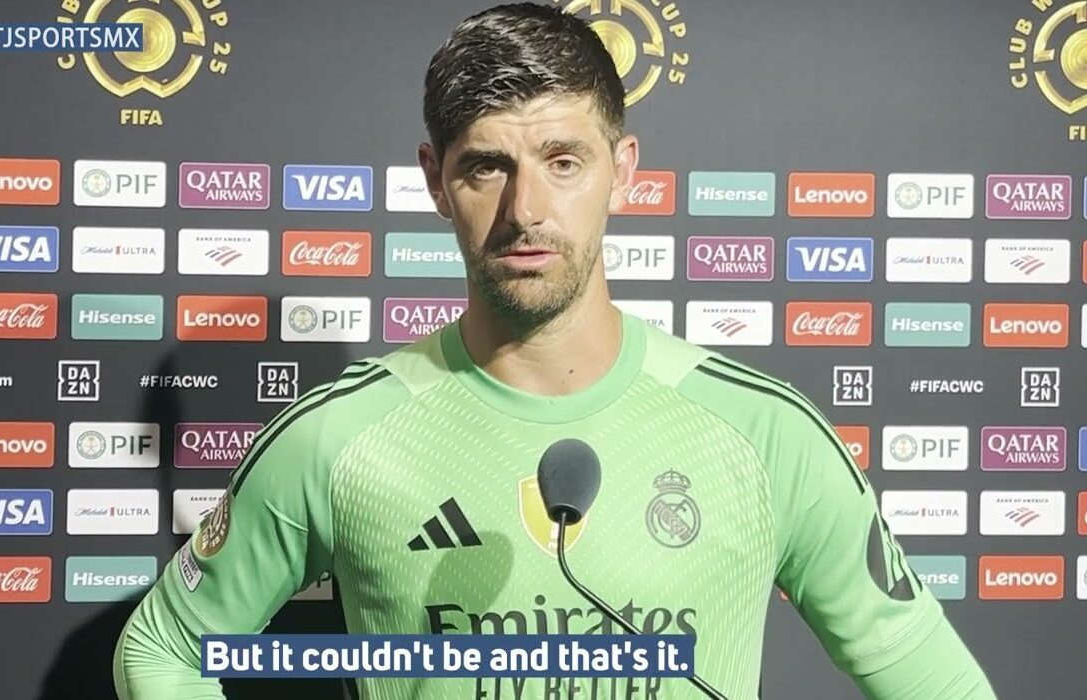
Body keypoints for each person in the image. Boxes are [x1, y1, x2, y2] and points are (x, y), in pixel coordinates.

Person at [113, 3, 997, 699]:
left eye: (563, 161)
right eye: (486, 166)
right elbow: (162, 649)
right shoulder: (338, 436)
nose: (526, 209)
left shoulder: (765, 435)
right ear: (435, 180)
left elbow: (939, 681)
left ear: (625, 170)